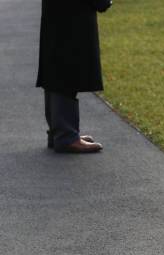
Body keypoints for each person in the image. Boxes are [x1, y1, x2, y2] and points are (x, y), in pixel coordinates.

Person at [36, 0, 112, 153]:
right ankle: (66, 136)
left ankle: (59, 132)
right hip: (72, 13)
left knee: (56, 66)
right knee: (68, 67)